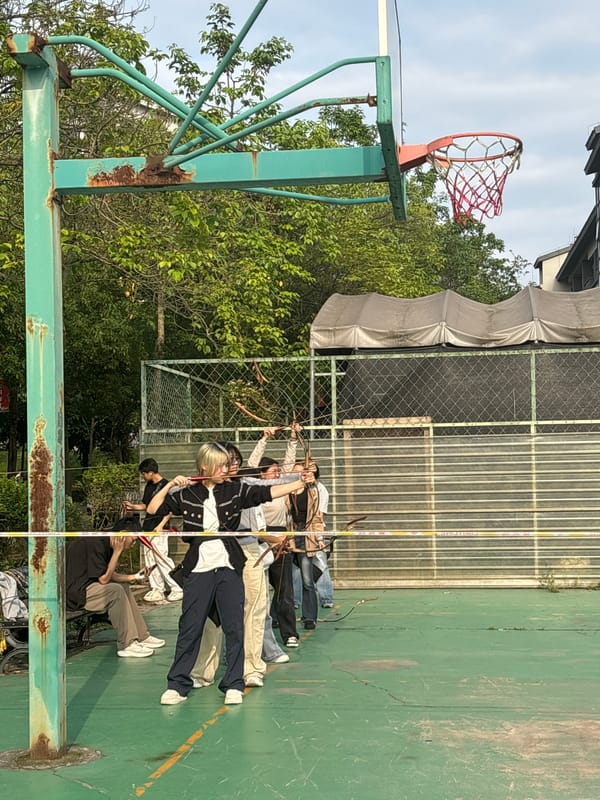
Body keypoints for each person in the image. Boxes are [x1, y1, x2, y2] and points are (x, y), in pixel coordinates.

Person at [147, 441, 314, 707]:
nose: (228, 468)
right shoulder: (187, 492)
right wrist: (170, 485)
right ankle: (177, 684)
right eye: (223, 464)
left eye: (228, 464)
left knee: (235, 625)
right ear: (206, 466)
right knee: (190, 626)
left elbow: (268, 492)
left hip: (229, 567)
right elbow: (153, 509)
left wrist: (299, 483)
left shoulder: (235, 490)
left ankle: (234, 683)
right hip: (198, 569)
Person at [65, 525, 165, 658]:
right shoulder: (97, 542)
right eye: (133, 540)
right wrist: (117, 552)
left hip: (88, 587)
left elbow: (109, 574)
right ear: (122, 535)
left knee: (122, 586)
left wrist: (134, 577)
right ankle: (127, 644)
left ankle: (142, 636)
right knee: (115, 591)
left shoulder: (106, 543)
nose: (133, 544)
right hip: (76, 593)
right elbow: (104, 580)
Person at [247, 425, 301, 649]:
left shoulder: (282, 485)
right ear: (262, 474)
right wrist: (264, 438)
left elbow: (290, 466)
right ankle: (257, 636)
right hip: (258, 537)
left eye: (278, 471)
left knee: (284, 591)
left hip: (279, 538)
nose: (277, 474)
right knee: (258, 593)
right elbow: (249, 467)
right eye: (272, 471)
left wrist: (293, 438)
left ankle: (289, 633)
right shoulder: (254, 485)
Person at [123, 458, 183, 604]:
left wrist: (162, 525)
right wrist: (132, 506)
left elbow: (170, 510)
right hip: (148, 527)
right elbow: (146, 505)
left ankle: (177, 587)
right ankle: (157, 589)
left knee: (161, 557)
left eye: (144, 474)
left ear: (150, 472)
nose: (143, 477)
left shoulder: (167, 485)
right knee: (150, 559)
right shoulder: (149, 486)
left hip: (159, 528)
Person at [288, 460, 326, 630]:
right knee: (283, 581)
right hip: (287, 536)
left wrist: (319, 538)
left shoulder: (312, 492)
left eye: (302, 471)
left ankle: (309, 617)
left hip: (306, 536)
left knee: (307, 580)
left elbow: (317, 518)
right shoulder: (284, 491)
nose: (299, 474)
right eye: (295, 472)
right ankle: (278, 616)